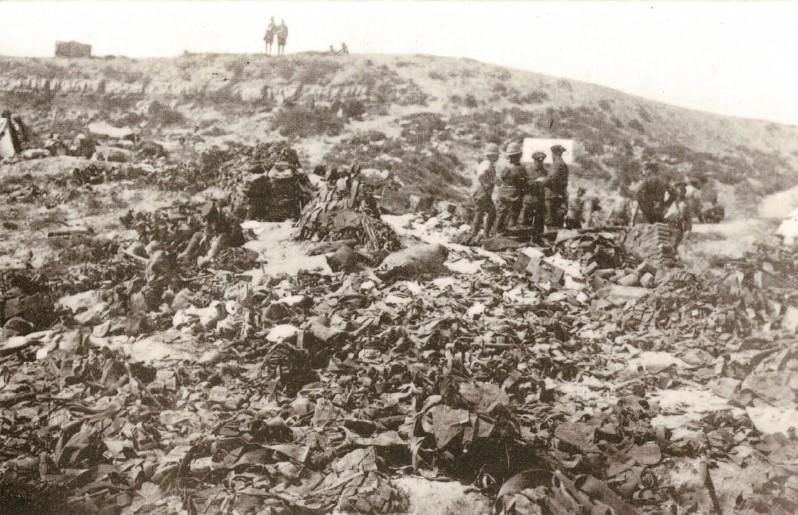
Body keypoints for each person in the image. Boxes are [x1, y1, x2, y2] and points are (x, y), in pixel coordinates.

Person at [493, 141, 527, 235]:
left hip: (502, 194)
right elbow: (524, 183)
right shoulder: (520, 169)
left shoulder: (505, 167)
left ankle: (498, 232)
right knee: (513, 214)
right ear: (519, 155)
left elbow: (499, 180)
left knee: (501, 214)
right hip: (514, 196)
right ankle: (508, 232)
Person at [468, 143, 499, 241]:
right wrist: (487, 184)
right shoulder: (487, 164)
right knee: (491, 212)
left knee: (480, 211)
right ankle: (484, 234)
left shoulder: (486, 163)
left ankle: (474, 232)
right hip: (482, 192)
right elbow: (481, 175)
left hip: (481, 191)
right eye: (496, 155)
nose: (498, 157)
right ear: (493, 155)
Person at [517, 151, 547, 241]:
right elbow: (522, 183)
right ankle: (524, 240)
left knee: (539, 222)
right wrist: (535, 182)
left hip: (539, 199)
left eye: (541, 161)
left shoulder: (545, 172)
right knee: (525, 221)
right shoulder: (527, 169)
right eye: (537, 161)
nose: (539, 163)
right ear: (534, 160)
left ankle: (537, 240)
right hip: (528, 198)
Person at [543, 144, 569, 229]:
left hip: (551, 196)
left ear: (554, 153)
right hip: (559, 195)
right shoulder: (564, 165)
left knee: (550, 220)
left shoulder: (556, 164)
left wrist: (542, 181)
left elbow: (550, 179)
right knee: (558, 220)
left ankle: (549, 240)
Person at [664, 181, 692, 250]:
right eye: (678, 190)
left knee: (672, 248)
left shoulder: (686, 203)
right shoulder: (669, 200)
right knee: (663, 247)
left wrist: (688, 230)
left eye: (682, 190)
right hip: (666, 226)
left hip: (677, 228)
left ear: (684, 192)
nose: (679, 192)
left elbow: (688, 218)